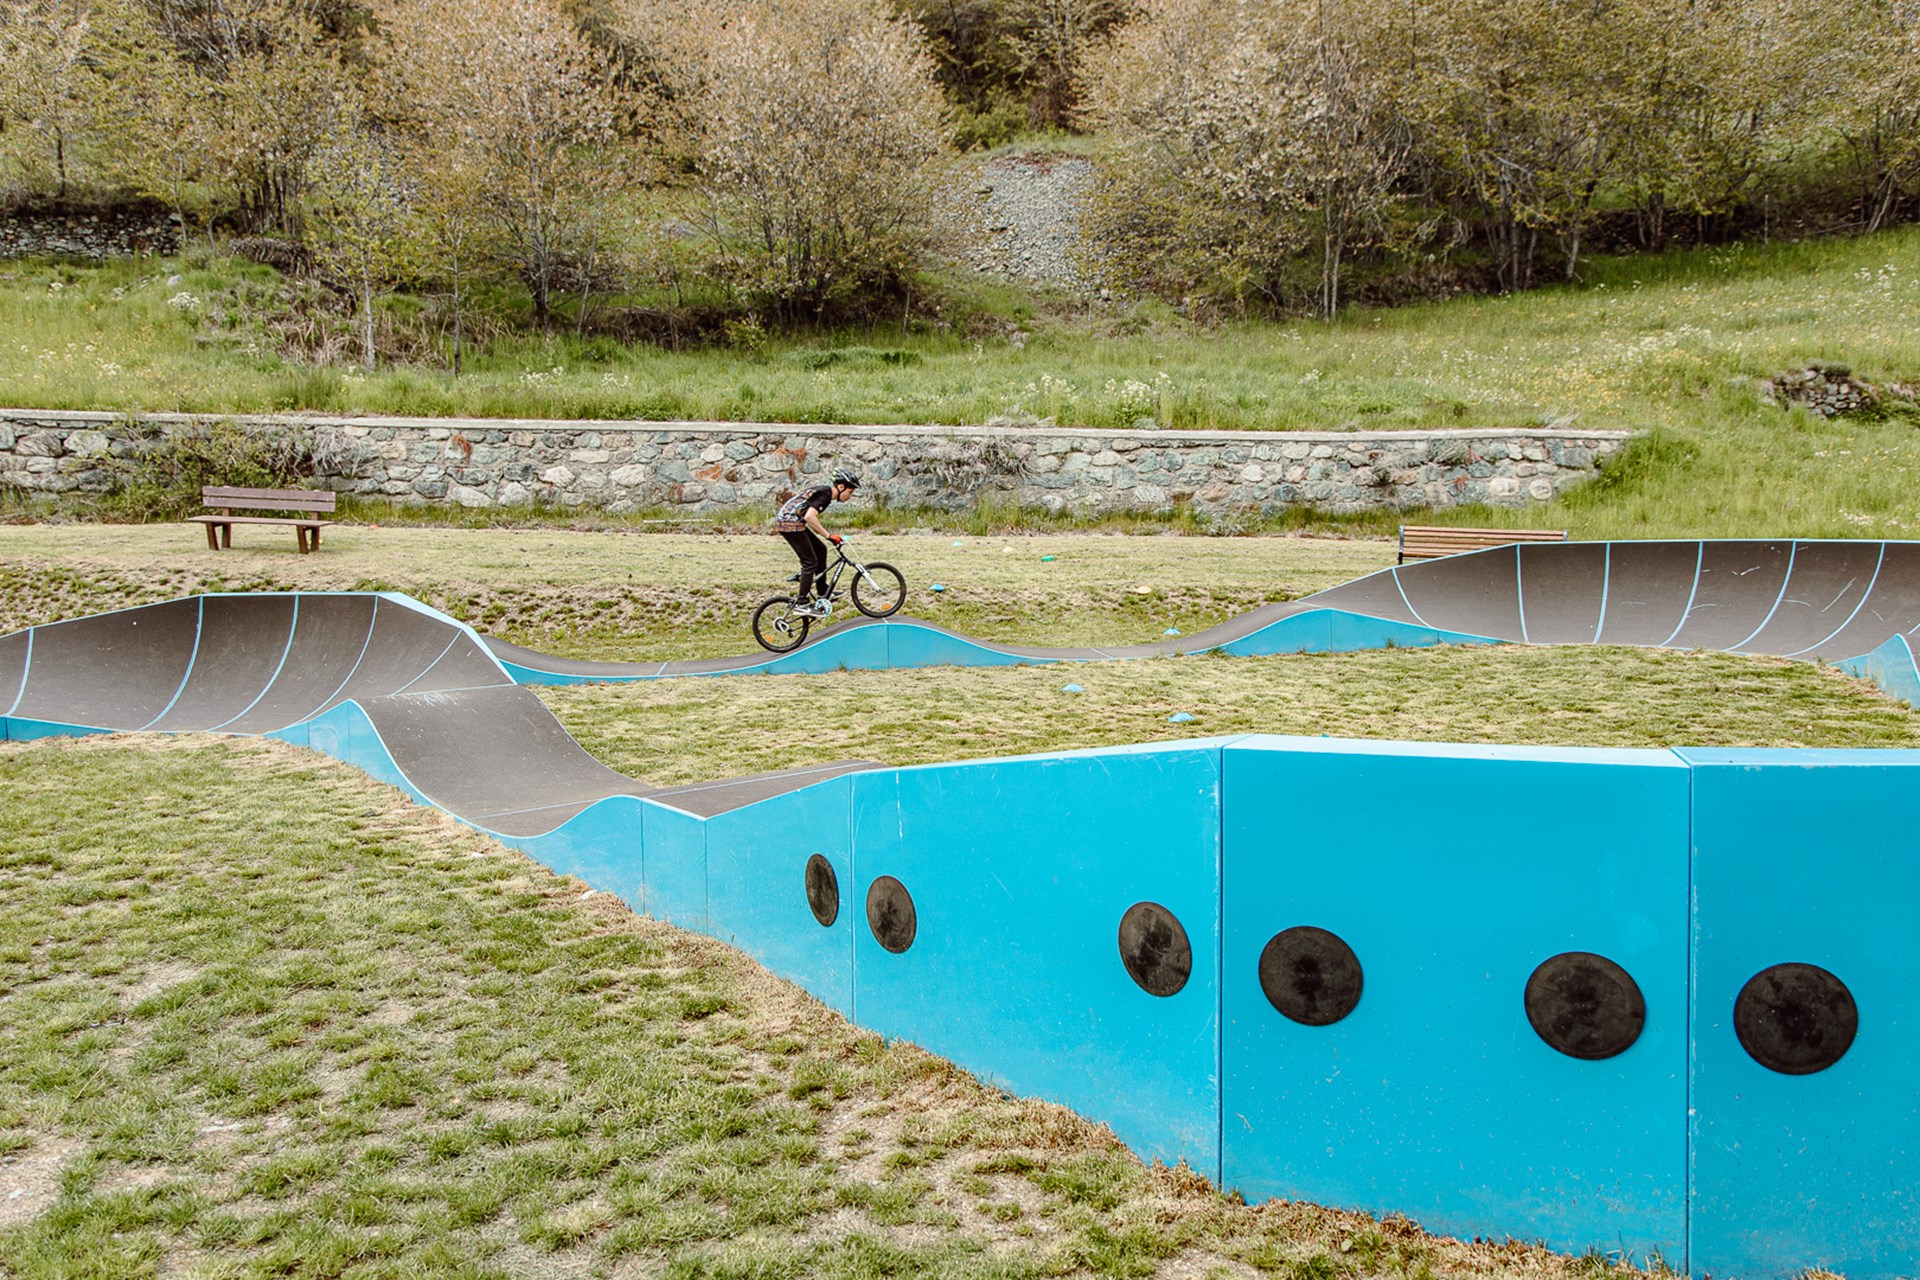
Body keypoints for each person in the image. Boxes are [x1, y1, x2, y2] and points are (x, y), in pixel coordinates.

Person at [773, 468, 860, 616]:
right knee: (810, 562)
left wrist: (828, 537)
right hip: (789, 523)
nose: (850, 497)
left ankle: (822, 591)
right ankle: (802, 603)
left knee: (821, 550)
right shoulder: (825, 495)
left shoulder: (825, 493)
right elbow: (810, 517)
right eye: (850, 492)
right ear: (841, 487)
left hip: (793, 522)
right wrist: (829, 536)